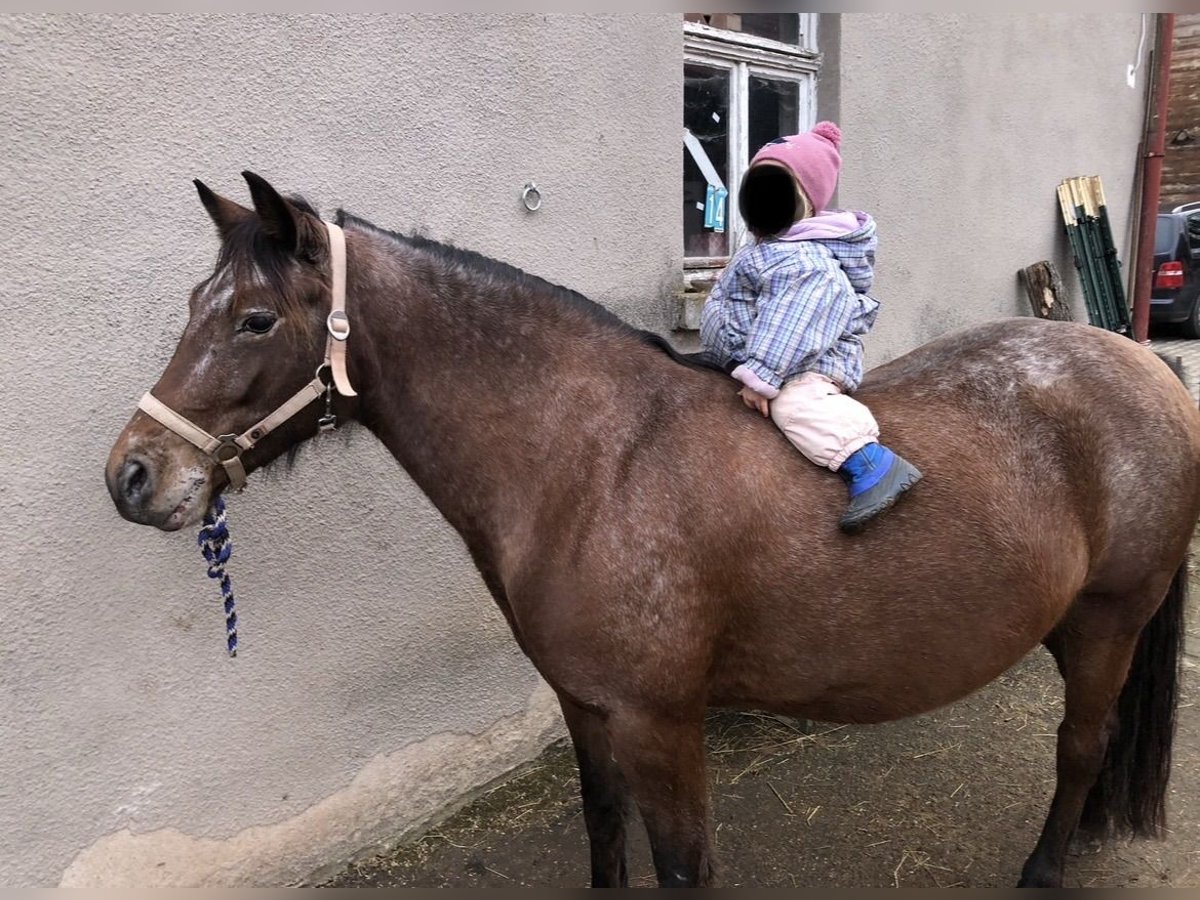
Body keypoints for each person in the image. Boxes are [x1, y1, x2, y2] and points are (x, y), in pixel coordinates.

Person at [699, 121, 921, 533]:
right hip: (757, 357)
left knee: (795, 407)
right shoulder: (772, 250)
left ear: (803, 201)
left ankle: (869, 462)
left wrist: (761, 377)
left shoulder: (807, 264)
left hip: (803, 366)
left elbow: (791, 325)